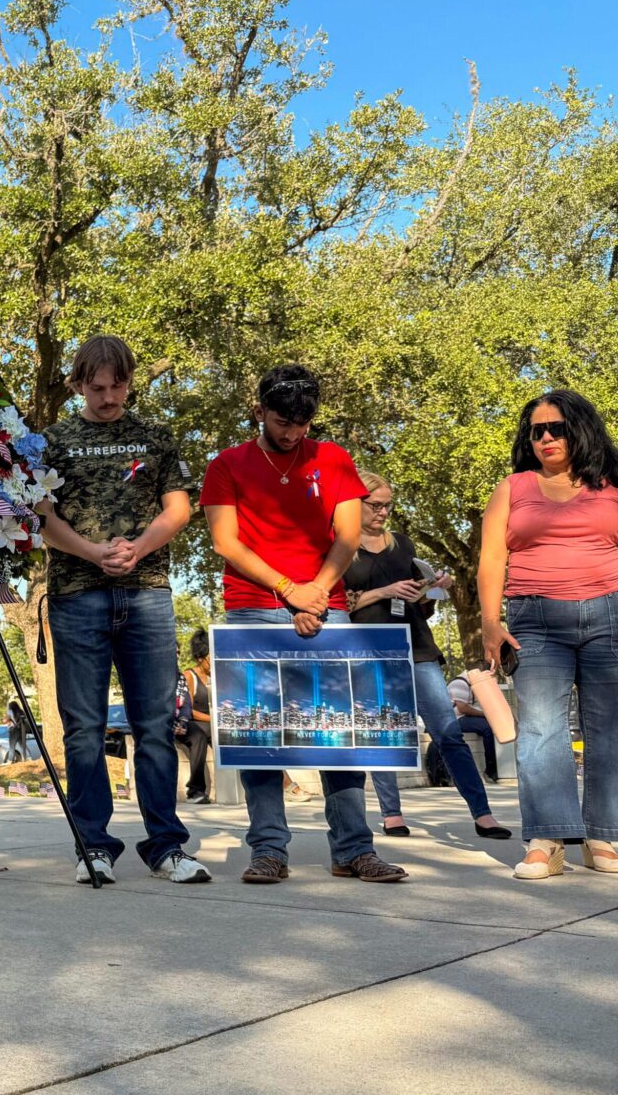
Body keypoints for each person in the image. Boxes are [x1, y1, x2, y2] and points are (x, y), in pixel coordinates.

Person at [200, 364, 407, 885]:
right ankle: (269, 849)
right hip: (252, 605)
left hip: (327, 603)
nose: (292, 432)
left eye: (302, 423)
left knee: (340, 732)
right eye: (281, 421)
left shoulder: (333, 458)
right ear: (258, 412)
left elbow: (348, 532)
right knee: (259, 737)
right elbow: (226, 542)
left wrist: (317, 590)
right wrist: (289, 590)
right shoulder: (227, 464)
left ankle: (353, 850)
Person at [38, 335, 210, 886]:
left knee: (156, 724)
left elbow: (179, 507)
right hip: (75, 594)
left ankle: (167, 847)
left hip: (148, 593)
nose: (109, 397)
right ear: (77, 385)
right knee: (84, 727)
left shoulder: (155, 436)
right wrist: (92, 552)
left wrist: (138, 548)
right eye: (97, 388)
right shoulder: (52, 441)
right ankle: (93, 846)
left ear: (131, 381)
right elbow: (39, 515)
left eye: (119, 386)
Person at [478, 390, 618, 880]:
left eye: (555, 428)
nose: (545, 438)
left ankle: (601, 834)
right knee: (541, 730)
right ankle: (548, 837)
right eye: (536, 431)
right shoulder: (513, 488)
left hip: (610, 616)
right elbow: (492, 558)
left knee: (614, 729)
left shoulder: (617, 488)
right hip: (534, 619)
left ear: (578, 429)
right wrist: (490, 621)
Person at [345, 473, 511, 840]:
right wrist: (383, 591)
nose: (383, 512)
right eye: (375, 505)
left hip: (416, 646)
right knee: (383, 734)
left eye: (388, 504)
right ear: (353, 503)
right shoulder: (339, 547)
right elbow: (337, 602)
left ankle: (483, 814)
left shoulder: (402, 545)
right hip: (366, 650)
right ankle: (391, 814)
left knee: (448, 732)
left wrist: (430, 589)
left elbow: (416, 605)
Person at [180, 630, 214, 804]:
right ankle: (195, 790)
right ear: (200, 658)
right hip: (190, 722)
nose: (213, 661)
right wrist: (214, 719)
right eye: (210, 657)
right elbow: (189, 710)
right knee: (198, 737)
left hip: (211, 723)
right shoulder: (189, 676)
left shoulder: (215, 676)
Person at [447, 674, 501, 782]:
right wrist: (485, 714)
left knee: (490, 725)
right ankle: (490, 770)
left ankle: (493, 768)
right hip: (455, 719)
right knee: (487, 728)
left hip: (462, 717)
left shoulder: (469, 685)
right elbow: (463, 709)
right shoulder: (460, 683)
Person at [5, 698, 29, 763]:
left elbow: (6, 720)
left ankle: (10, 760)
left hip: (13, 730)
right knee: (22, 745)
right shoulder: (21, 711)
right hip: (21, 730)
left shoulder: (10, 712)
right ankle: (29, 757)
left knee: (12, 746)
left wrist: (5, 720)